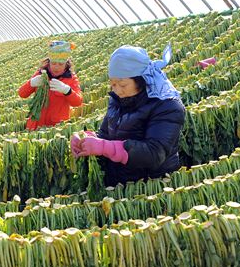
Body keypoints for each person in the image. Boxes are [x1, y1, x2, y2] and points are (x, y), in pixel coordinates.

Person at [71, 44, 185, 186]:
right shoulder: (117, 100)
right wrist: (86, 140)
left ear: (141, 80)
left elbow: (155, 154)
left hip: (151, 186)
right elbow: (105, 135)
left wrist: (105, 147)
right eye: (113, 84)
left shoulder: (167, 106)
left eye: (122, 84)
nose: (117, 90)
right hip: (119, 183)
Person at [18, 40, 83, 130]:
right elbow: (22, 94)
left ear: (66, 63)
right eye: (53, 63)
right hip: (35, 124)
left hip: (56, 127)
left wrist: (67, 90)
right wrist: (31, 83)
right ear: (49, 61)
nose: (56, 67)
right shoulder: (40, 74)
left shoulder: (71, 78)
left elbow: (78, 102)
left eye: (60, 64)